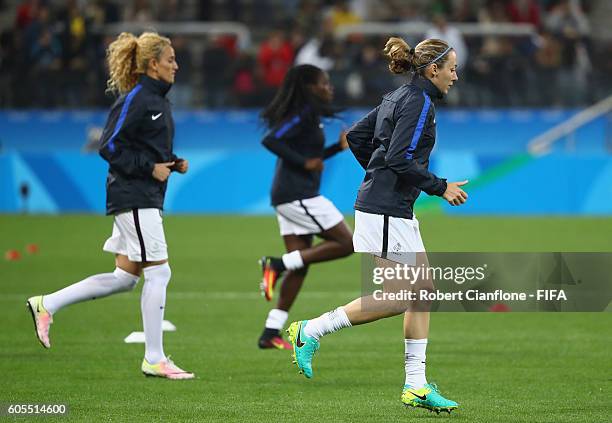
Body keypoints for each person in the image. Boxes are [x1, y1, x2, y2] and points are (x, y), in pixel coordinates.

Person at [285, 37, 468, 413]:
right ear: (433, 69)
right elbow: (400, 157)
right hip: (385, 210)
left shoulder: (398, 96)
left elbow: (355, 137)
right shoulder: (418, 103)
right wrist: (439, 187)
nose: (455, 74)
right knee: (399, 297)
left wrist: (380, 174)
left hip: (390, 206)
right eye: (451, 68)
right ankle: (310, 330)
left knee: (423, 292)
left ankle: (415, 386)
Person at [26, 31, 194, 380]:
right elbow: (109, 146)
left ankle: (48, 304)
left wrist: (171, 163)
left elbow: (141, 148)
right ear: (153, 65)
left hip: (143, 195)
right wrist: (150, 168)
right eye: (170, 60)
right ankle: (154, 358)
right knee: (160, 272)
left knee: (124, 279)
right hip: (133, 196)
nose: (176, 65)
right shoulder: (137, 99)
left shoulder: (159, 100)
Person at [258, 64, 354, 349]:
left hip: (292, 195)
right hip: (298, 195)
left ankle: (270, 332)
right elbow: (270, 139)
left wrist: (336, 148)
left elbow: (311, 156)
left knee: (301, 263)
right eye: (324, 82)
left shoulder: (312, 117)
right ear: (310, 87)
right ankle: (275, 264)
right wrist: (303, 163)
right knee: (349, 243)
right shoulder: (301, 114)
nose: (329, 87)